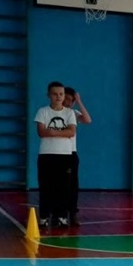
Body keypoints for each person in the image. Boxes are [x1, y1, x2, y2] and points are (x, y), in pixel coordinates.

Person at [34, 81, 78, 228]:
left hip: (64, 155)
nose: (58, 97)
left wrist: (52, 132)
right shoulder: (42, 112)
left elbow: (71, 132)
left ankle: (61, 217)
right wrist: (61, 132)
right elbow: (41, 131)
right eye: (55, 94)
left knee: (63, 188)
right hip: (46, 155)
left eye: (61, 94)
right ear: (49, 95)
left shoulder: (69, 113)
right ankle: (44, 216)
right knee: (46, 187)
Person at [62, 87, 92, 225]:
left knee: (72, 186)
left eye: (71, 100)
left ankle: (72, 214)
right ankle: (58, 214)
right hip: (56, 152)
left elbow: (87, 120)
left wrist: (79, 101)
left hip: (71, 153)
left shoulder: (73, 113)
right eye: (66, 99)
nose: (68, 102)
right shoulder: (53, 113)